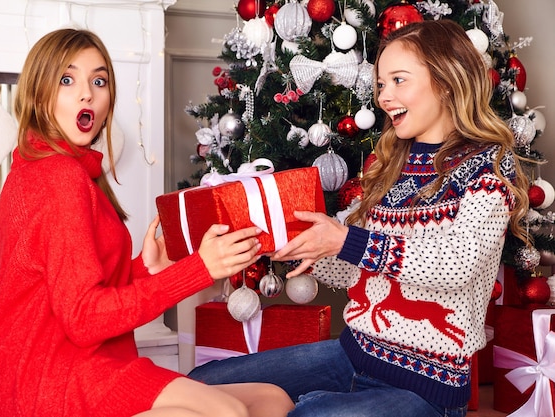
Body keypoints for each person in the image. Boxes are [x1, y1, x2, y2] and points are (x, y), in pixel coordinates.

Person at [188, 19, 530, 417]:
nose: (385, 97)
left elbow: (456, 264)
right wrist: (300, 248)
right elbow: (359, 271)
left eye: (399, 80)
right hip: (352, 355)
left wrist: (346, 241)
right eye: (381, 84)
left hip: (424, 390)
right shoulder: (389, 170)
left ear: (447, 81)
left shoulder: (484, 175)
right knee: (200, 385)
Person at [0, 28, 294, 417]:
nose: (86, 93)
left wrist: (144, 270)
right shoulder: (59, 176)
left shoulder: (58, 171)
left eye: (99, 80)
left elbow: (68, 286)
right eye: (66, 79)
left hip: (69, 367)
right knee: (228, 412)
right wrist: (198, 269)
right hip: (50, 379)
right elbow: (83, 318)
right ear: (38, 94)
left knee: (271, 400)